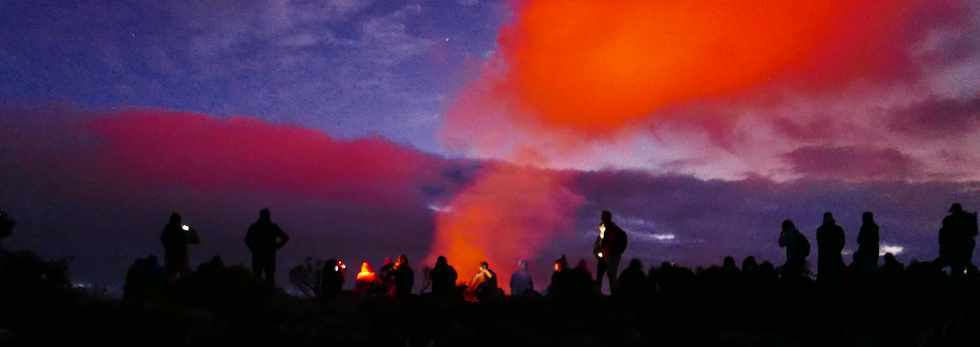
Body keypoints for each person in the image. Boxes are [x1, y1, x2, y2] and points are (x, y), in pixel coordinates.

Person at [245, 208, 289, 286]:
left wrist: (253, 248)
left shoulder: (256, 227)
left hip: (260, 256)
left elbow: (247, 240)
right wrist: (276, 246)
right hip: (266, 256)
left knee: (260, 277)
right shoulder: (272, 227)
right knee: (265, 277)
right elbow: (285, 238)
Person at [939, 203, 979, 277]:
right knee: (962, 265)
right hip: (961, 248)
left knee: (959, 267)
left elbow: (943, 236)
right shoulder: (965, 218)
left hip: (959, 249)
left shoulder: (951, 220)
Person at [594, 210, 628, 293]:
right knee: (602, 276)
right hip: (604, 257)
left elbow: (623, 239)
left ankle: (614, 295)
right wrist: (596, 251)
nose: (602, 218)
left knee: (611, 277)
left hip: (611, 258)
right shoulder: (603, 229)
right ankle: (599, 293)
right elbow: (599, 241)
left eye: (604, 216)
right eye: (602, 217)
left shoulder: (615, 230)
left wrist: (615, 253)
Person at [161, 213, 200, 281]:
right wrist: (189, 229)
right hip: (181, 262)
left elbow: (164, 240)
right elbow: (196, 240)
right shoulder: (182, 233)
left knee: (170, 280)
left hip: (171, 262)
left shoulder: (167, 231)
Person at [816, 212, 846, 282]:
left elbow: (820, 244)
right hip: (835, 259)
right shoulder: (838, 229)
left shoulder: (819, 230)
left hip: (824, 261)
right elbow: (842, 242)